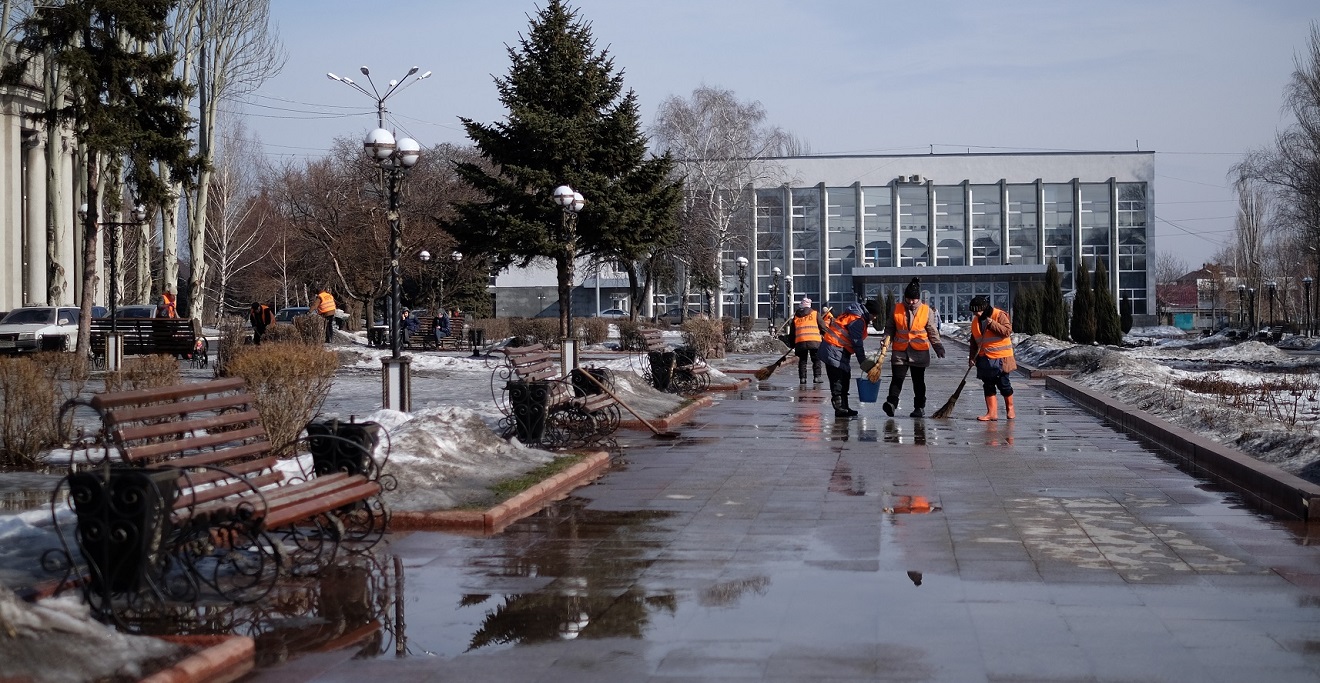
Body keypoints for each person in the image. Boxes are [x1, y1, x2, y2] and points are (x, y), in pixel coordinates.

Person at [880, 278, 946, 418]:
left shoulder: (926, 311)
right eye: (908, 299)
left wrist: (938, 346)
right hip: (900, 351)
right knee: (897, 379)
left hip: (919, 352)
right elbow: (890, 328)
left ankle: (919, 407)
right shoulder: (896, 308)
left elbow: (932, 331)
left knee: (918, 381)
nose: (910, 302)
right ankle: (891, 404)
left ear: (919, 299)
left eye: (913, 300)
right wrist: (886, 339)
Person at [820, 298, 883, 417]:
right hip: (833, 349)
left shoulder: (855, 315)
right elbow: (857, 343)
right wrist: (863, 363)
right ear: (869, 312)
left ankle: (845, 406)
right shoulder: (857, 320)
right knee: (838, 379)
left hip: (839, 349)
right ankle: (839, 408)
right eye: (874, 315)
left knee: (845, 377)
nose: (875, 318)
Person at [968, 294, 1017, 421]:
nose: (976, 314)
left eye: (978, 311)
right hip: (984, 359)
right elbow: (974, 341)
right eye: (974, 312)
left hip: (1001, 358)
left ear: (984, 308)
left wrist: (992, 324)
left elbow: (1007, 331)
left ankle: (1010, 408)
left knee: (1004, 385)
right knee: (988, 385)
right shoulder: (975, 321)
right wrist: (972, 358)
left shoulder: (999, 315)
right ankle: (991, 413)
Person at [789, 297, 823, 386]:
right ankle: (817, 377)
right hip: (814, 341)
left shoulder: (796, 316)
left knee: (802, 360)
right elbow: (823, 327)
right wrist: (828, 337)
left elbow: (792, 332)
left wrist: (792, 344)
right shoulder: (815, 314)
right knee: (816, 359)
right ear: (809, 306)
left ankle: (803, 379)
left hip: (800, 342)